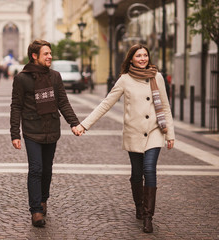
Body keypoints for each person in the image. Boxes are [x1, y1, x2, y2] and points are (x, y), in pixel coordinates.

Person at [75, 44, 175, 233]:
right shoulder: (124, 80)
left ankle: (148, 216)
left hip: (154, 130)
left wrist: (170, 133)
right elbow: (106, 104)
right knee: (137, 174)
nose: (143, 58)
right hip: (134, 132)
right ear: (131, 59)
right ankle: (139, 205)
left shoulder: (157, 77)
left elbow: (166, 106)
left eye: (145, 55)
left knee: (149, 169)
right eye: (139, 56)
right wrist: (84, 125)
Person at [10, 40, 80, 227]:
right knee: (36, 169)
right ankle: (35, 211)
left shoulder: (55, 77)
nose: (50, 56)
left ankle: (43, 199)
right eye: (46, 54)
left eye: (50, 53)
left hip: (51, 129)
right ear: (35, 56)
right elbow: (16, 107)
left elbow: (63, 102)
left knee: (47, 170)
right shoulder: (22, 78)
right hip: (32, 131)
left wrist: (74, 123)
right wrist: (15, 133)